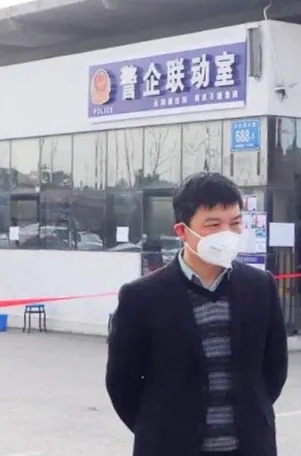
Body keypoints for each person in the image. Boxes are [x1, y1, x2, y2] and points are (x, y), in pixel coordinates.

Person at [106, 172, 289, 456]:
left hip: (249, 446)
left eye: (235, 223)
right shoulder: (141, 297)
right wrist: (159, 429)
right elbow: (122, 385)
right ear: (182, 231)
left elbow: (274, 370)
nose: (227, 233)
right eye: (214, 224)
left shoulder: (260, 287)